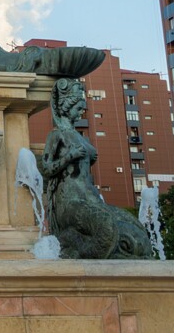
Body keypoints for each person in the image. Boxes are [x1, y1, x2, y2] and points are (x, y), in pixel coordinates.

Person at [42, 78, 151, 259]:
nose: (81, 112)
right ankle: (72, 246)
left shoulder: (79, 136)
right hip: (70, 202)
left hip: (89, 197)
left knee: (131, 222)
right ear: (67, 108)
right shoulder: (57, 135)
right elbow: (46, 169)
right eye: (78, 108)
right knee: (107, 227)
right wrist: (70, 157)